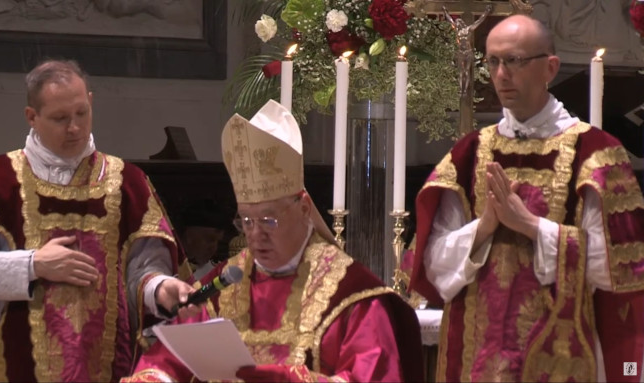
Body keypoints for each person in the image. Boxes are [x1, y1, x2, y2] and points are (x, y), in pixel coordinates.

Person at [406, 15, 644, 382]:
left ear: (550, 67)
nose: (502, 74)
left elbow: (616, 271)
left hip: (562, 356)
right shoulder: (468, 154)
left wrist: (531, 226)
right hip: (476, 358)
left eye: (514, 61)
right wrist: (483, 228)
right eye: (493, 61)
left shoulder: (596, 154)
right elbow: (434, 267)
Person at [122, 100, 425, 382]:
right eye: (245, 220)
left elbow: (372, 374)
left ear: (304, 209)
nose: (254, 235)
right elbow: (163, 360)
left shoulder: (351, 295)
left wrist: (270, 377)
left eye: (269, 220)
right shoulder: (224, 287)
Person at [0, 59, 194, 382]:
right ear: (32, 117)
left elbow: (143, 271)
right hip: (16, 363)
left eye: (81, 113)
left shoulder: (128, 183)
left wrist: (160, 288)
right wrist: (34, 265)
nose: (74, 127)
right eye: (60, 118)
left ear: (91, 101)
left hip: (106, 366)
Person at [443, 5, 491, 97]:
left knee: (466, 72)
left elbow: (479, 21)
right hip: (460, 52)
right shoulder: (457, 31)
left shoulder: (468, 29)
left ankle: (465, 90)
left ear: (461, 23)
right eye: (456, 24)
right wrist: (445, 12)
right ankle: (462, 90)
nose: (456, 24)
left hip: (468, 53)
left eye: (458, 23)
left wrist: (486, 12)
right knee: (461, 73)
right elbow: (450, 20)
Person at [176, 198, 228, 281]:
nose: (214, 248)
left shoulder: (218, 274)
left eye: (218, 242)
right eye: (209, 239)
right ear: (189, 235)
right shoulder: (165, 264)